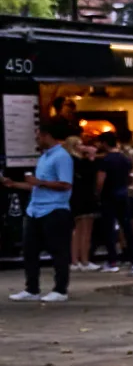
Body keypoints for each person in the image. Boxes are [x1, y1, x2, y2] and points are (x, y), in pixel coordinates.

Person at [7, 117, 75, 302]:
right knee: (30, 251)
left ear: (47, 136)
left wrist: (40, 182)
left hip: (54, 209)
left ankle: (60, 289)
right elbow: (36, 186)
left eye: (38, 136)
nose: (36, 140)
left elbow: (65, 184)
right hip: (35, 210)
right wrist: (14, 184)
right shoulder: (44, 157)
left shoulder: (62, 156)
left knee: (58, 251)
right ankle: (32, 288)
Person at [94, 132, 132, 269]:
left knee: (109, 228)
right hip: (123, 194)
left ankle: (112, 260)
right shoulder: (124, 158)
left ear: (104, 143)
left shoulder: (105, 160)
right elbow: (129, 177)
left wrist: (97, 195)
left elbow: (100, 181)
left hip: (109, 196)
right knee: (126, 226)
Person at [65, 135, 100, 272]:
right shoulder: (79, 162)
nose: (83, 147)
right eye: (80, 144)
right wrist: (91, 157)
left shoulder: (71, 161)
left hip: (76, 196)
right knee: (84, 230)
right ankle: (82, 260)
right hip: (84, 197)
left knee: (78, 230)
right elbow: (91, 176)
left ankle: (77, 260)